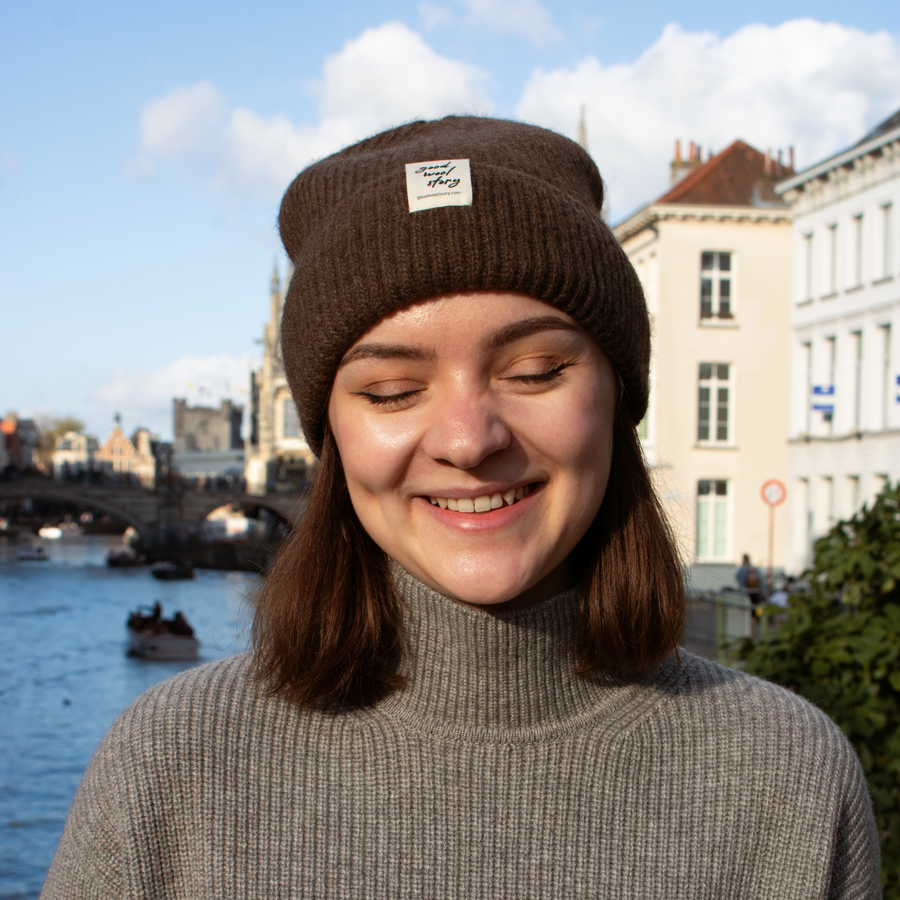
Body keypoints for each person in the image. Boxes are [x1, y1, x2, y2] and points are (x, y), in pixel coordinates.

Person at [42, 117, 881, 898]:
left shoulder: (789, 778)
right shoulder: (169, 769)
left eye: (535, 372)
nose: (469, 439)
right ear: (330, 436)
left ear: (618, 399)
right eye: (392, 389)